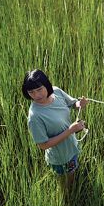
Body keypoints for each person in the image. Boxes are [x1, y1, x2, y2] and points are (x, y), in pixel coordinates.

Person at [22, 69, 88, 197]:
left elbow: (73, 104)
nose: (37, 95)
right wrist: (70, 130)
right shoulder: (35, 117)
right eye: (31, 92)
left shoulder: (56, 91)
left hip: (72, 147)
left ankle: (73, 189)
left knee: (73, 172)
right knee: (66, 185)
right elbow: (43, 145)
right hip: (60, 157)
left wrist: (81, 103)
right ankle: (67, 201)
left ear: (46, 85)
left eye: (39, 89)